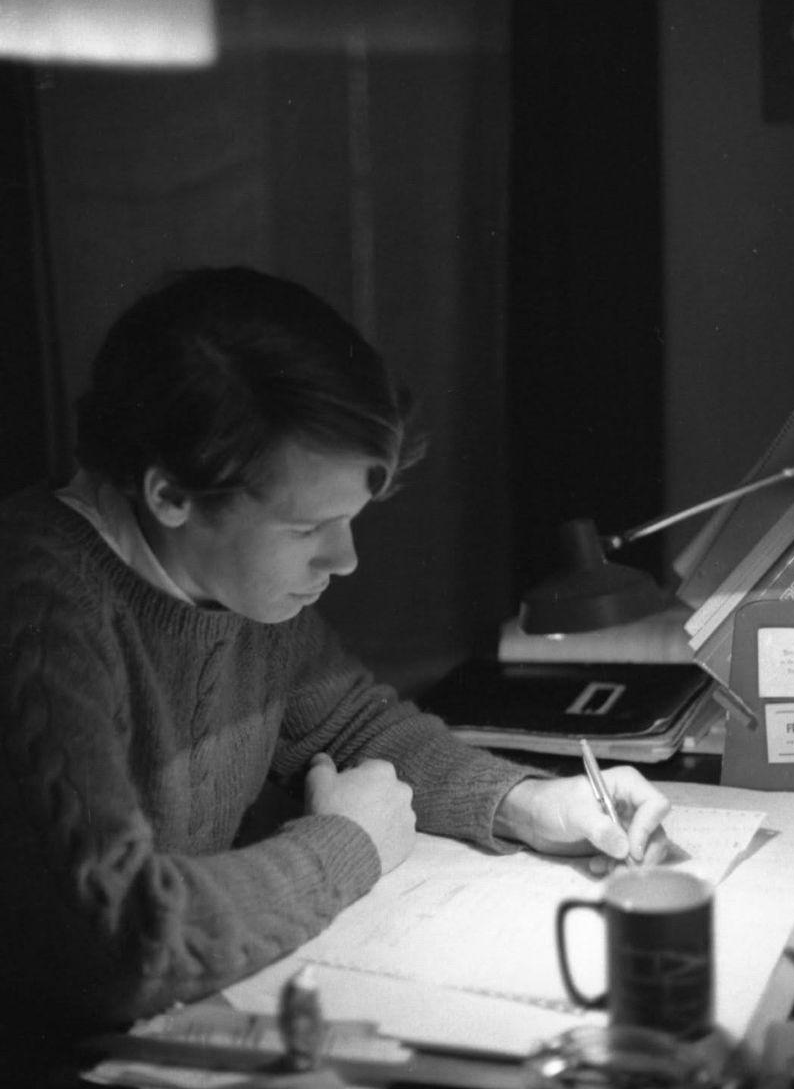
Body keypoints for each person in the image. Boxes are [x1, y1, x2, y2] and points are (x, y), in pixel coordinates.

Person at [0, 267, 670, 1063]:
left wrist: (522, 800)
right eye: (307, 527)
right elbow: (118, 945)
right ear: (171, 493)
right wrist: (345, 841)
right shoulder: (38, 609)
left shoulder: (226, 581)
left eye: (350, 519)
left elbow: (354, 724)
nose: (345, 559)